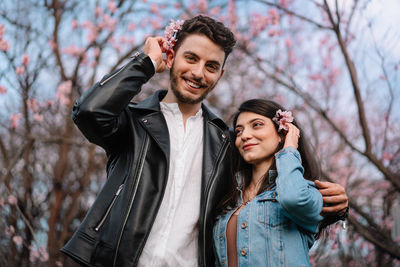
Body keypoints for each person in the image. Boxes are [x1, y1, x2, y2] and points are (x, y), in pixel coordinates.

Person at [61, 15, 348, 267]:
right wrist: (145, 63)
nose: (199, 73)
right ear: (171, 57)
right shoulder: (133, 123)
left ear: (220, 75)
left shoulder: (225, 142)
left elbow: (264, 200)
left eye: (211, 66)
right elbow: (88, 113)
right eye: (191, 58)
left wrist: (334, 207)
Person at [213, 99, 337, 267]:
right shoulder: (228, 197)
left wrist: (290, 149)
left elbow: (293, 199)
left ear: (282, 133)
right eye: (239, 131)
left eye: (256, 125)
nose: (245, 136)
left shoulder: (307, 191)